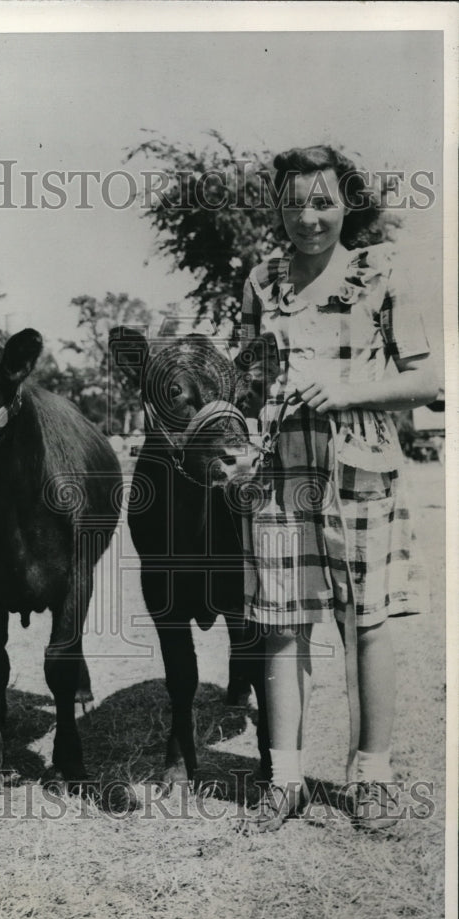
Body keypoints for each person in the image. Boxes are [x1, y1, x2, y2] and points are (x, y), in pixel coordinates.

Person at [238, 145, 438, 833]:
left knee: (367, 624)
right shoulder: (261, 282)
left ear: (347, 204)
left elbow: (426, 381)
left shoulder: (381, 272)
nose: (308, 218)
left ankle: (373, 777)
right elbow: (247, 377)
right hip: (279, 475)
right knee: (281, 627)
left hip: (361, 468)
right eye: (294, 204)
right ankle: (284, 779)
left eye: (322, 202)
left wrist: (348, 390)